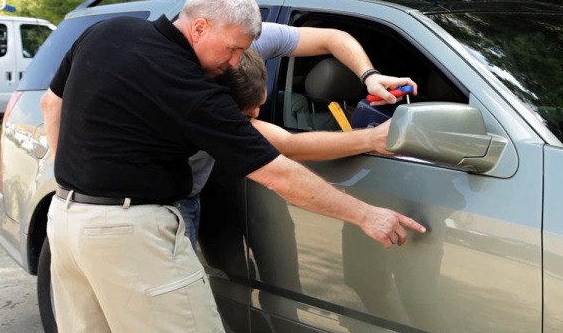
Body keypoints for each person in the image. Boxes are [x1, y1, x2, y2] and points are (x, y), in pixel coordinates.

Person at [41, 0, 426, 333]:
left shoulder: (108, 32)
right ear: (200, 27)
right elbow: (278, 173)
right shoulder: (191, 90)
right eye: (234, 49)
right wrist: (366, 214)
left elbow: (51, 103)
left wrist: (70, 185)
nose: (237, 62)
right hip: (130, 235)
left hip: (66, 223)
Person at [177, 21, 418, 248]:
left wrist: (370, 76)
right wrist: (371, 138)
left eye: (262, 101)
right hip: (175, 195)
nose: (259, 113)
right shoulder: (204, 106)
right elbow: (288, 146)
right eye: (250, 114)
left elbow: (332, 37)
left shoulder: (249, 41)